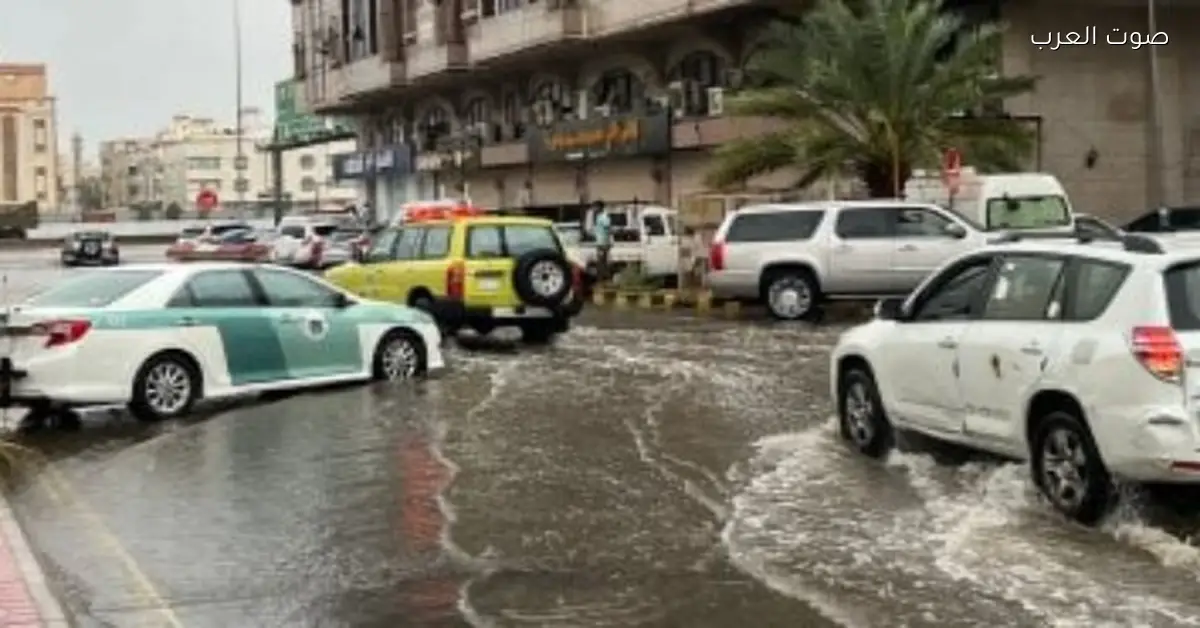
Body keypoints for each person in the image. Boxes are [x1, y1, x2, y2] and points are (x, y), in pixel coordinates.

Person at [592, 200, 612, 282]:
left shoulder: (604, 216)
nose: (594, 209)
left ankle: (604, 279)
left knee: (602, 261)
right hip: (600, 242)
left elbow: (607, 226)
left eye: (595, 207)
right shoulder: (598, 216)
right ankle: (603, 278)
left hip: (603, 243)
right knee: (600, 261)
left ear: (600, 207)